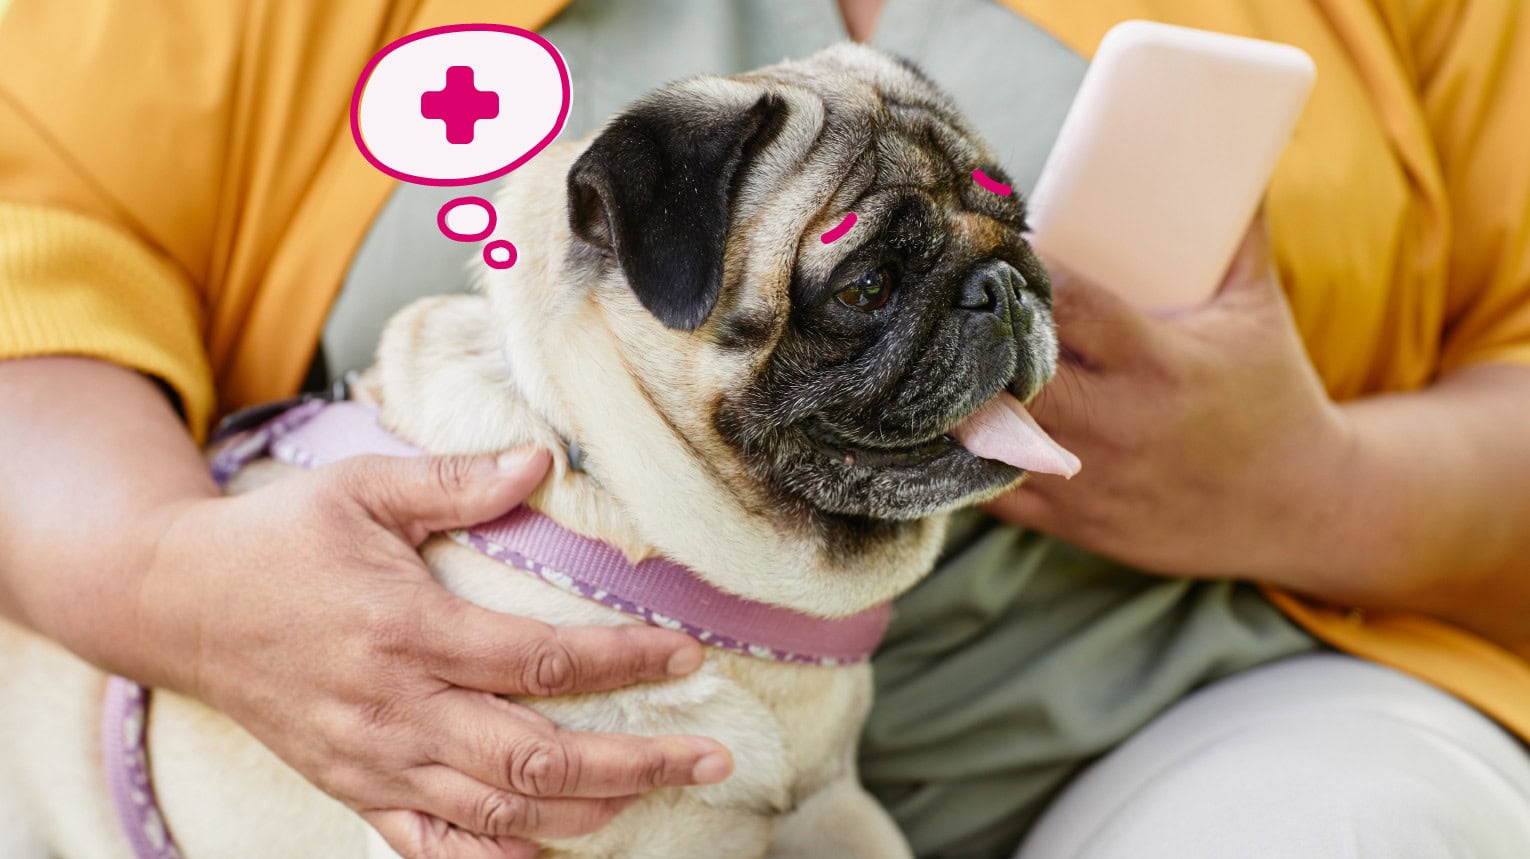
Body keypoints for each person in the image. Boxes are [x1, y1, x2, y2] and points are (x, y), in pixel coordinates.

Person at [2, 1, 1528, 858]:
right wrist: (165, 576)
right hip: (439, 709)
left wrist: (1322, 487)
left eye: (992, 227)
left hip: (1199, 716)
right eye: (868, 269)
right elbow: (32, 237)